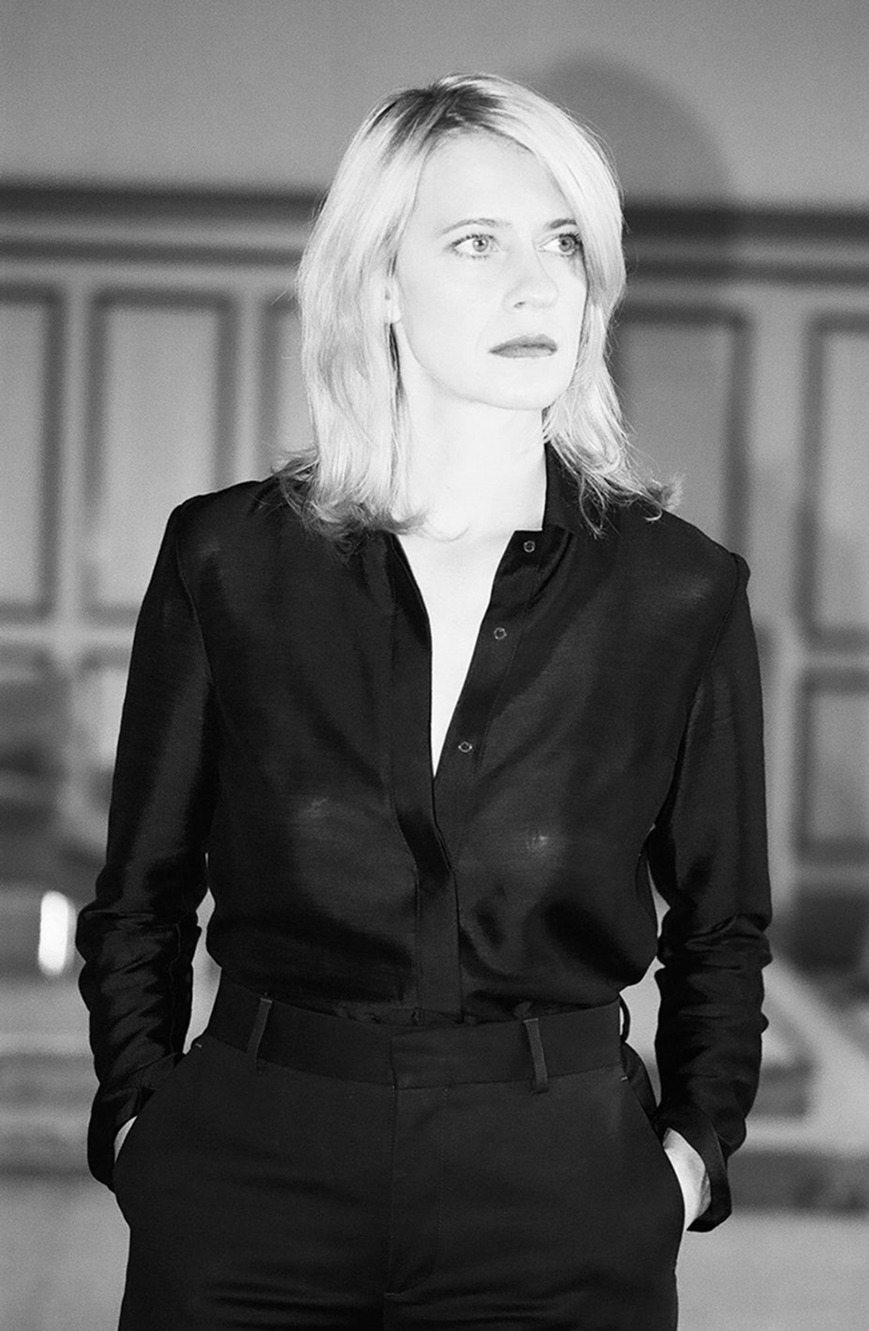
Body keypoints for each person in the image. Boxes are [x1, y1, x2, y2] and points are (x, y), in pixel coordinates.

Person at [76, 73, 772, 1331]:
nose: (538, 285)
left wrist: (687, 1161)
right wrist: (139, 1124)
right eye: (477, 242)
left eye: (565, 243)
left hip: (562, 1196)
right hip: (249, 1177)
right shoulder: (229, 560)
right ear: (380, 283)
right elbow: (141, 894)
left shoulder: (680, 591)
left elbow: (721, 928)